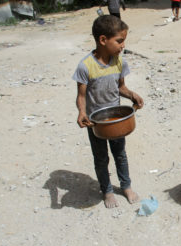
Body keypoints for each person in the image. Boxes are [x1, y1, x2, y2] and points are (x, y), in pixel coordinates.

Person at [72, 15, 144, 208]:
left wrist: (132, 95)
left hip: (116, 119)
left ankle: (126, 186)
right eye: (119, 41)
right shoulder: (85, 66)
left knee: (120, 154)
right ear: (103, 40)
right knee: (101, 157)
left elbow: (121, 87)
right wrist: (81, 112)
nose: (122, 46)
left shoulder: (119, 62)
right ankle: (107, 191)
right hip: (95, 122)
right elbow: (81, 96)